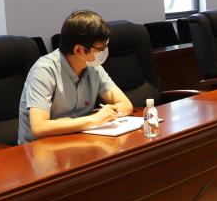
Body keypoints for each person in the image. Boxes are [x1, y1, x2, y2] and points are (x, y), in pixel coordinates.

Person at [18, 9, 133, 143]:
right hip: (39, 148)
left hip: (78, 141)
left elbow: (126, 105)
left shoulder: (94, 67)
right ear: (79, 50)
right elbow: (39, 127)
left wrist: (108, 113)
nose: (105, 51)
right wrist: (94, 119)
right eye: (100, 49)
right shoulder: (44, 70)